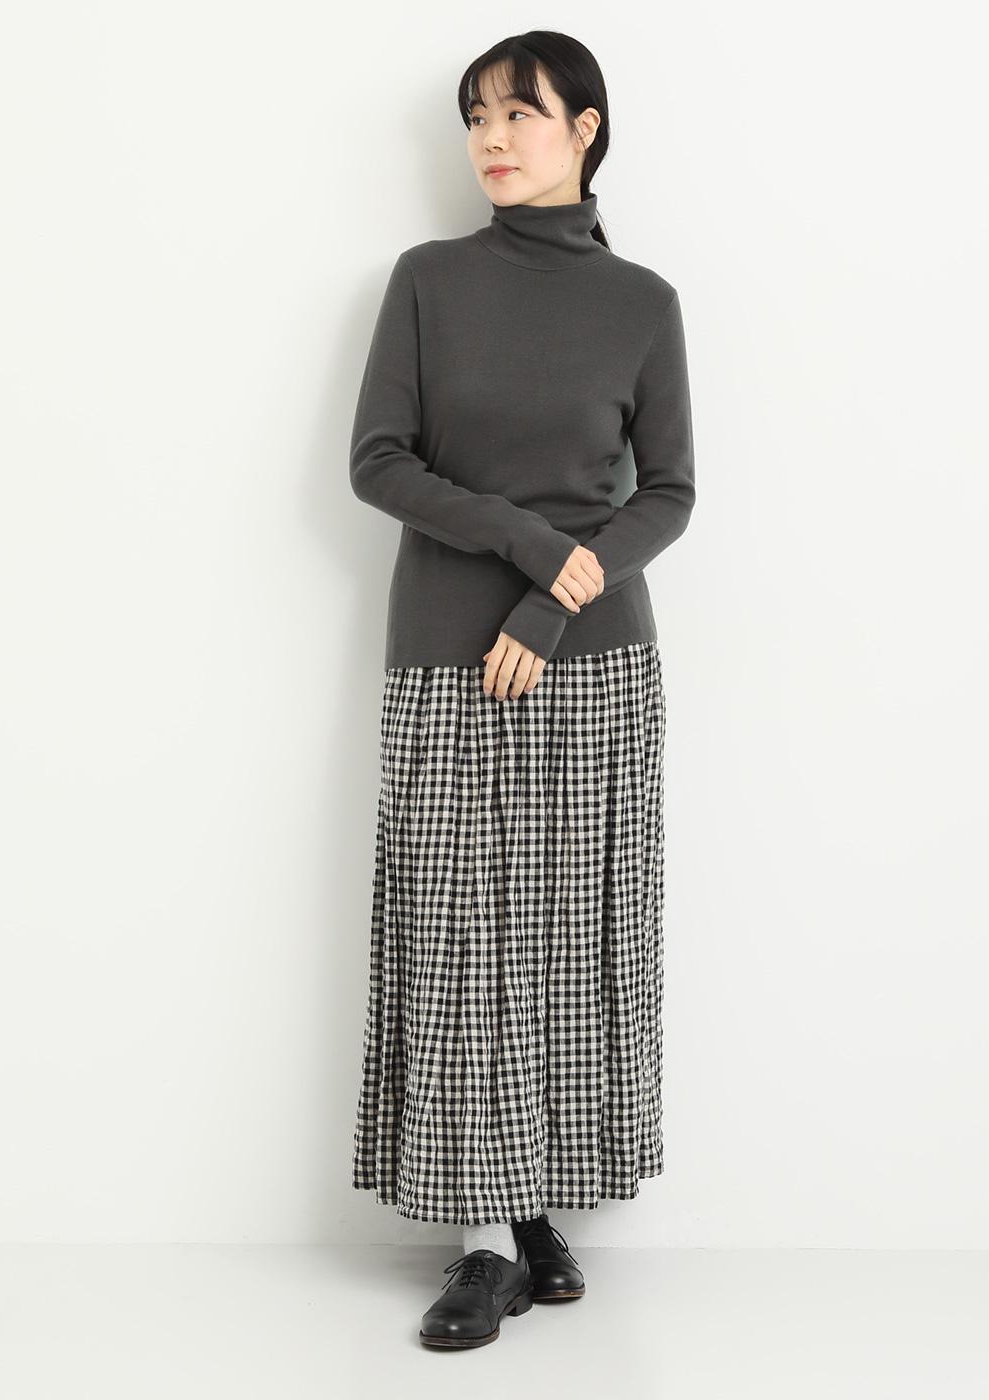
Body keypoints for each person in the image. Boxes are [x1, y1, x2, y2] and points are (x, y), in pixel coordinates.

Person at [347, 30, 696, 1349]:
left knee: (572, 941)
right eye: (476, 116)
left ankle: (533, 1203)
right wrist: (531, 546)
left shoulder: (643, 304)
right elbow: (380, 462)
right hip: (448, 656)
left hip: (594, 661)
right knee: (460, 943)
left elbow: (669, 495)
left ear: (585, 128)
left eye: (520, 113)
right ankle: (484, 1243)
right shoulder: (428, 281)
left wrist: (552, 606)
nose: (491, 138)